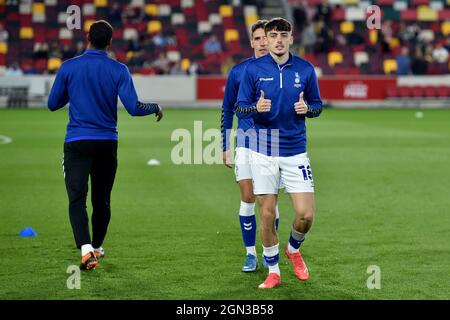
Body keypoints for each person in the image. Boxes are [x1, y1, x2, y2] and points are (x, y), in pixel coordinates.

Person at [47, 20, 163, 270]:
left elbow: (53, 103)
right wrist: (155, 107)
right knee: (102, 200)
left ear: (87, 37)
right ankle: (96, 246)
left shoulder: (69, 67)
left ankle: (85, 249)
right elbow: (134, 107)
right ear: (110, 42)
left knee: (77, 198)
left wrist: (75, 90)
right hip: (106, 143)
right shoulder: (119, 70)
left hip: (77, 142)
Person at [236, 17, 322, 289]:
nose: (278, 40)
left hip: (295, 150)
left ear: (291, 38)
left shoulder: (306, 70)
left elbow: (318, 105)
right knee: (266, 213)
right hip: (263, 149)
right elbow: (240, 107)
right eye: (273, 35)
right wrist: (254, 109)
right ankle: (273, 271)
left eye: (283, 34)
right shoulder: (253, 70)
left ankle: (294, 249)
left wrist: (307, 109)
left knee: (305, 215)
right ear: (267, 38)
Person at [221, 20, 280, 273]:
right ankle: (249, 254)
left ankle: (271, 252)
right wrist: (225, 145)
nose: (263, 42)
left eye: (265, 38)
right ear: (252, 42)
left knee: (268, 201)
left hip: (273, 140)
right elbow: (227, 109)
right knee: (247, 197)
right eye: (257, 39)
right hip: (245, 141)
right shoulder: (238, 71)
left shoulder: (282, 71)